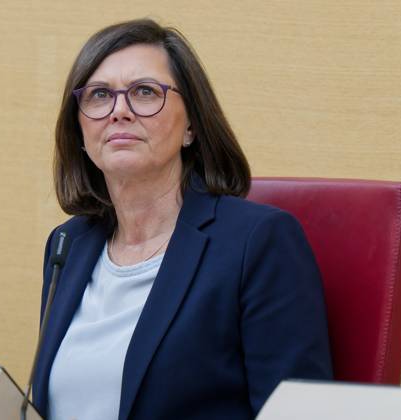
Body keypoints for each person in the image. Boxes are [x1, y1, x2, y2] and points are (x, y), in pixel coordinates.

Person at [32, 18, 332, 420]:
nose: (119, 111)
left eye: (144, 92)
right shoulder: (68, 245)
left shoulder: (257, 242)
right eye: (100, 95)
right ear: (80, 130)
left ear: (191, 124)